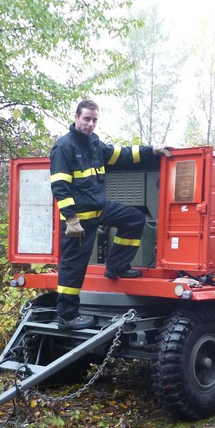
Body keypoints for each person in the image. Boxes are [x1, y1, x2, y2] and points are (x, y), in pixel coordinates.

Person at [49, 99, 170, 329]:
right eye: (86, 119)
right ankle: (67, 315)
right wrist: (71, 219)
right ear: (76, 117)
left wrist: (150, 150)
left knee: (134, 218)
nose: (91, 124)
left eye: (94, 120)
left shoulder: (94, 144)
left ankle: (116, 266)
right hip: (79, 220)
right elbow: (59, 186)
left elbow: (119, 154)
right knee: (74, 267)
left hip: (99, 208)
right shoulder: (64, 147)